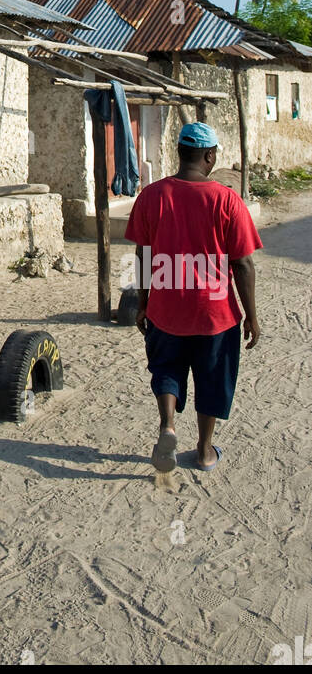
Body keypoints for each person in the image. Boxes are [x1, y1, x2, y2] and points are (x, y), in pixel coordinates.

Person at [124, 122, 262, 473]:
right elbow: (243, 264)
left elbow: (143, 255)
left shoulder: (152, 196)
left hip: (166, 310)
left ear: (179, 152)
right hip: (215, 314)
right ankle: (203, 451)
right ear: (210, 156)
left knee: (166, 370)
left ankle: (168, 425)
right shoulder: (227, 200)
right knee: (212, 379)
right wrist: (252, 316)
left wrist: (144, 302)